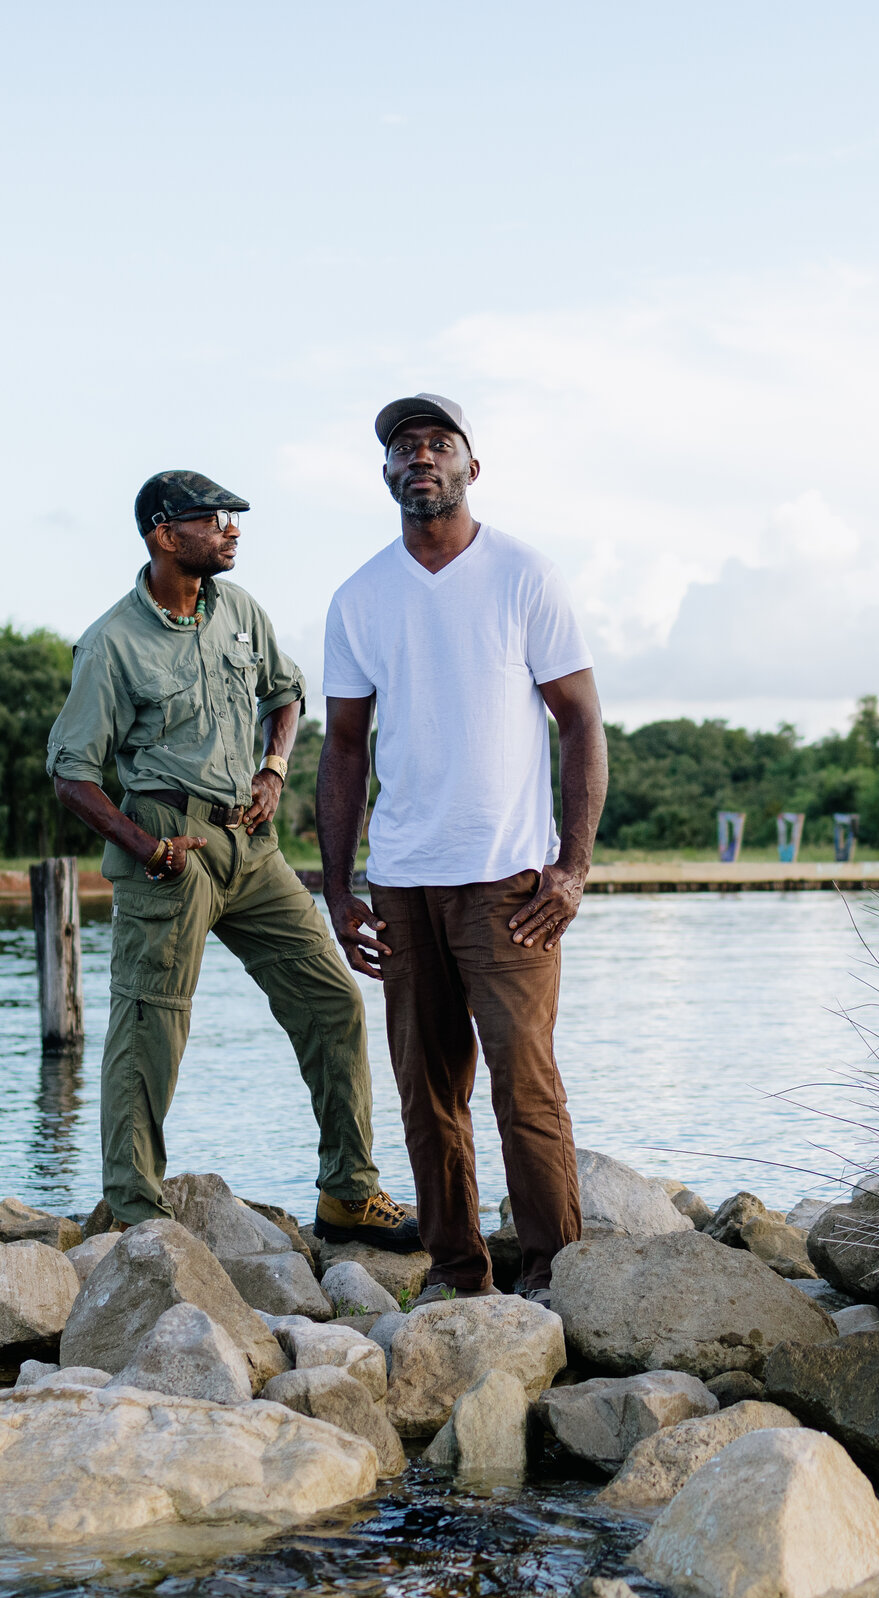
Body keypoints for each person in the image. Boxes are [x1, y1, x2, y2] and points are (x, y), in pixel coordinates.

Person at [45, 469, 417, 1247]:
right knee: (151, 1029)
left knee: (332, 1001)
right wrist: (145, 846)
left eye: (233, 518)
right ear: (160, 531)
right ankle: (138, 1220)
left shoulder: (240, 610)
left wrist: (274, 769)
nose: (231, 529)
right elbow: (71, 773)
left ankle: (349, 1192)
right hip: (170, 848)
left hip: (250, 846)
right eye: (213, 518)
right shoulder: (112, 643)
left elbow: (285, 694)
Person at [317, 396, 608, 1304]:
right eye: (404, 448)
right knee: (427, 1098)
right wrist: (337, 888)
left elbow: (581, 720)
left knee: (527, 1090)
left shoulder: (524, 575)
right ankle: (457, 1277)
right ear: (387, 476)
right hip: (403, 886)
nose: (421, 457)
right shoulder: (360, 597)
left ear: (470, 469)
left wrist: (572, 866)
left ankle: (556, 1281)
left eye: (439, 444)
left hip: (509, 883)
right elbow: (343, 749)